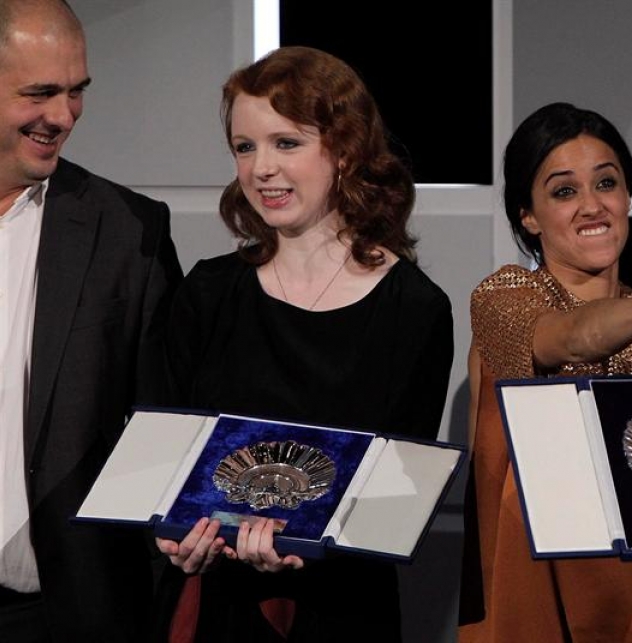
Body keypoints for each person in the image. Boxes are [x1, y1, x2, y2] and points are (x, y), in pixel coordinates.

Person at [151, 46, 454, 643]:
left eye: (286, 143)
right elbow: (165, 456)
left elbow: (396, 493)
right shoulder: (209, 293)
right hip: (216, 605)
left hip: (342, 610)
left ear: (344, 150)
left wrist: (311, 548)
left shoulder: (414, 309)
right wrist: (171, 535)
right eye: (245, 146)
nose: (261, 168)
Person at [457, 102, 632, 643]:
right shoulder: (506, 298)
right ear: (528, 217)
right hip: (533, 607)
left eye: (606, 183)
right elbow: (569, 339)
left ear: (628, 196)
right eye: (563, 191)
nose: (591, 205)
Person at [0, 0, 183, 641]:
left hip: (62, 614)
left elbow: (164, 431)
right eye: (40, 93)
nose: (64, 116)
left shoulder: (128, 231)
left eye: (77, 92)